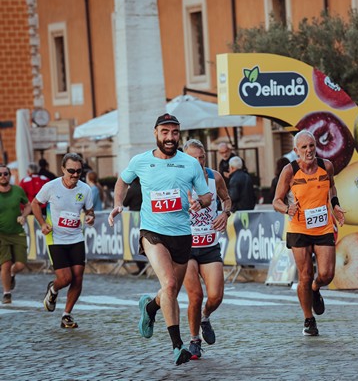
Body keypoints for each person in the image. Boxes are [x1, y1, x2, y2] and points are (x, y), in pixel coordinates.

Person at [108, 114, 212, 366]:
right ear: (155, 133)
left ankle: (150, 308)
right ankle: (177, 346)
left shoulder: (190, 163)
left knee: (172, 290)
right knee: (168, 284)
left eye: (174, 132)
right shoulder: (140, 161)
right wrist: (118, 204)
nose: (170, 137)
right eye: (165, 132)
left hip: (182, 234)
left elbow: (206, 195)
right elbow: (123, 180)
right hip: (152, 232)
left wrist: (200, 201)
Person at [272, 130, 346, 336]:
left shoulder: (326, 166)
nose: (309, 150)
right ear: (296, 150)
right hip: (299, 228)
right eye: (304, 147)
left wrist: (336, 206)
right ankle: (308, 319)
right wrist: (287, 209)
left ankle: (315, 288)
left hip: (322, 227)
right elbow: (276, 201)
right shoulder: (289, 171)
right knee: (304, 275)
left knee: (326, 274)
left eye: (311, 145)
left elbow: (332, 188)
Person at [31, 153, 95, 328]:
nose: (75, 175)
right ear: (62, 169)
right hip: (56, 238)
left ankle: (66, 314)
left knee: (78, 278)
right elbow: (35, 204)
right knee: (65, 278)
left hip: (76, 237)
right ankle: (53, 288)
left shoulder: (85, 189)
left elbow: (90, 212)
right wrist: (43, 223)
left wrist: (90, 218)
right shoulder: (51, 187)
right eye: (71, 171)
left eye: (79, 172)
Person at [182, 139, 231, 359]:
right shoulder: (178, 180)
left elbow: (226, 199)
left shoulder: (214, 177)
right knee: (195, 295)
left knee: (216, 296)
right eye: (194, 158)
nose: (199, 162)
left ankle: (205, 317)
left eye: (202, 157)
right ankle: (194, 340)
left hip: (210, 245)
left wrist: (225, 213)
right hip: (186, 247)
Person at [0, 165, 31, 304]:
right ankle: (7, 293)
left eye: (5, 173)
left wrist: (24, 215)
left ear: (10, 175)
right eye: (0, 174)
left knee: (20, 265)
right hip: (1, 234)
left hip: (17, 232)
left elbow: (29, 205)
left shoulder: (18, 190)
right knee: (5, 264)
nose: (3, 176)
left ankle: (12, 273)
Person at [122, 177, 146, 276]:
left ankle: (141, 267)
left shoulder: (132, 189)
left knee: (135, 242)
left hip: (134, 218)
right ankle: (143, 267)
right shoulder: (144, 187)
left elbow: (124, 203)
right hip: (145, 216)